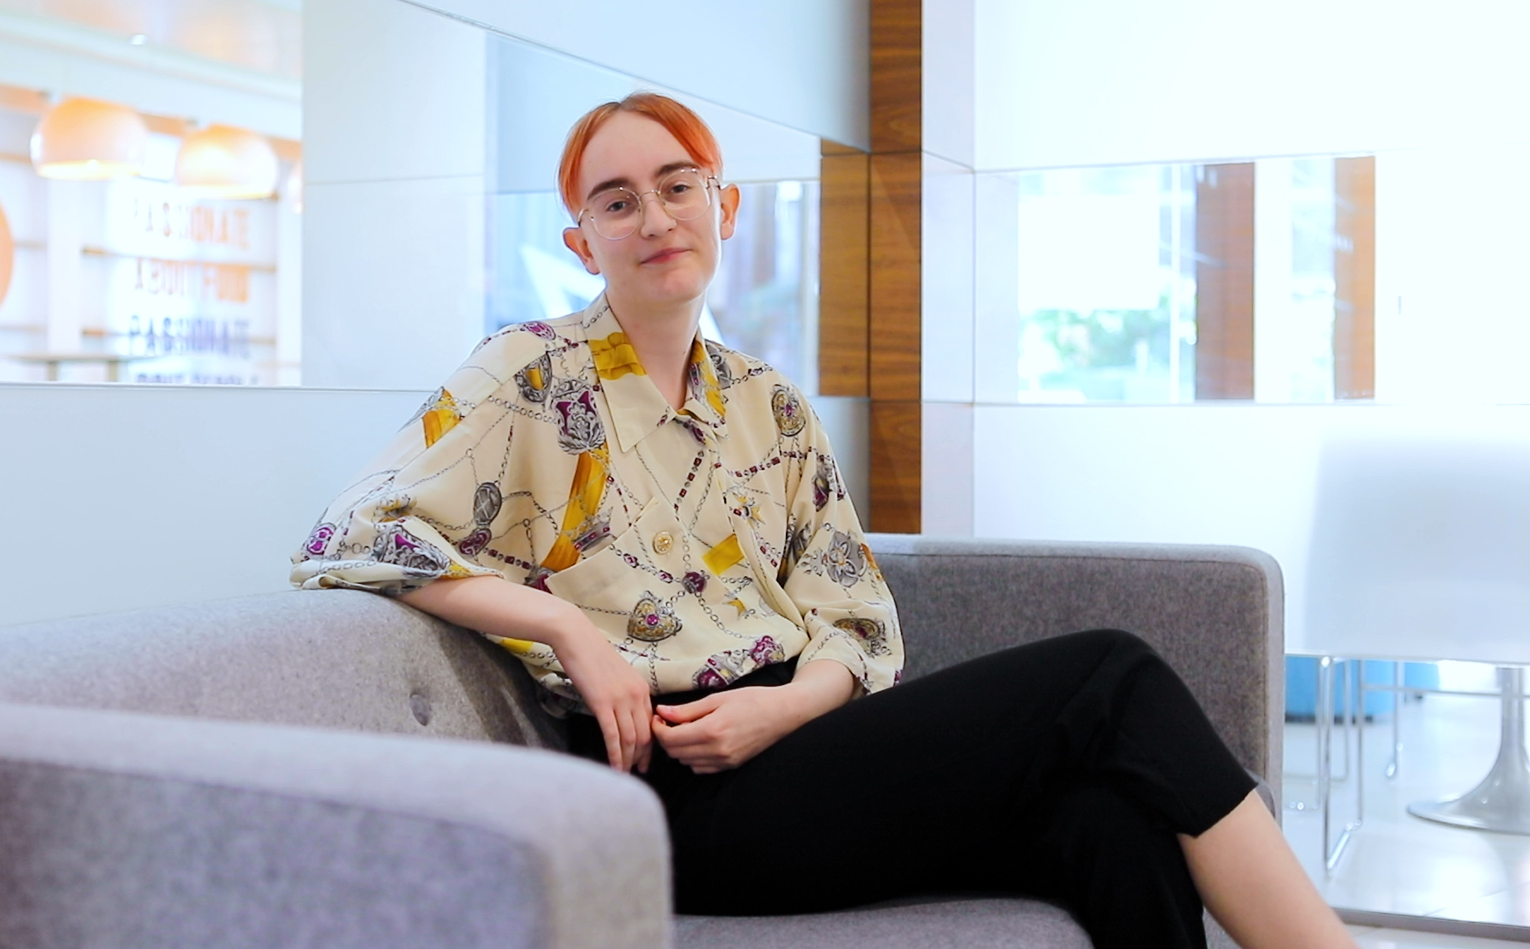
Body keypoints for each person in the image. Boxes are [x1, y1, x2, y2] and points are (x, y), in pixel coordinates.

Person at [292, 92, 1353, 949]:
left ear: (725, 207)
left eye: (678, 185)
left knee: (1111, 828)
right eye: (617, 202)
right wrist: (565, 626)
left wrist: (787, 709)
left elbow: (854, 612)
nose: (655, 218)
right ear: (581, 242)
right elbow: (348, 536)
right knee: (1112, 674)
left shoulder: (769, 405)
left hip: (797, 746)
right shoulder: (529, 371)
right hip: (671, 796)